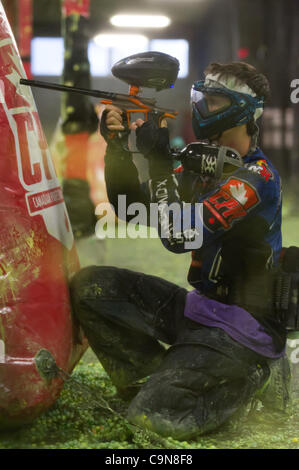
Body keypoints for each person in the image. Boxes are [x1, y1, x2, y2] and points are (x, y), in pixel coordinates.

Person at [70, 61, 291, 440]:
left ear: (243, 112)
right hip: (198, 311)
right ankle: (157, 380)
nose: (204, 107)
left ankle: (254, 378)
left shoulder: (257, 180)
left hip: (241, 332)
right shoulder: (202, 164)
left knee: (152, 421)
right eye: (203, 97)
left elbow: (180, 236)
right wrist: (118, 150)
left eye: (216, 101)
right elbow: (127, 207)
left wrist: (157, 163)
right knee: (90, 287)